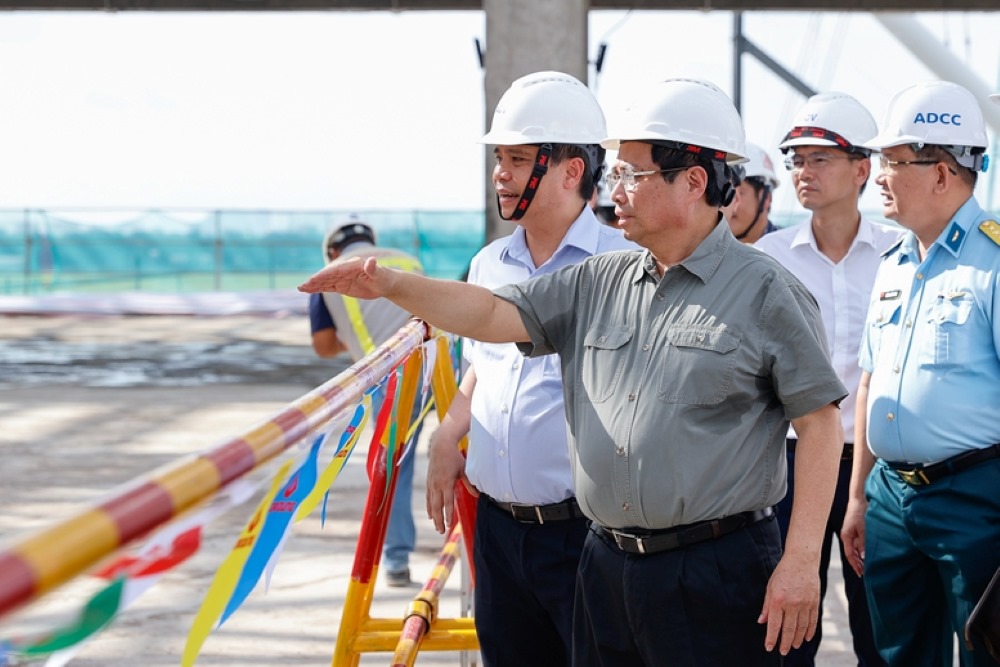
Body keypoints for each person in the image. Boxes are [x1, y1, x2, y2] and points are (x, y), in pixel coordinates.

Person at [300, 77, 848, 666]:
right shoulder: (601, 280)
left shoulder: (767, 292)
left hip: (715, 570)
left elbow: (820, 426)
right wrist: (391, 285)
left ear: (692, 182)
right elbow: (489, 312)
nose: (617, 189)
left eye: (633, 174)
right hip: (607, 568)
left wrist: (800, 563)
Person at [424, 71, 635, 667]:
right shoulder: (489, 263)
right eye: (500, 158)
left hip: (585, 537)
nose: (501, 172)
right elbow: (479, 371)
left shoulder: (624, 267)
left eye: (518, 159)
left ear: (572, 171)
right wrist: (447, 433)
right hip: (497, 536)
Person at [841, 80, 1000, 666]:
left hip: (977, 496)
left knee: (987, 649)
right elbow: (868, 381)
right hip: (890, 497)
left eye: (892, 161)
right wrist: (858, 496)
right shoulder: (894, 264)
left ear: (942, 171)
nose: (879, 175)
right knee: (895, 654)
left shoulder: (995, 263)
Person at [754, 91, 898, 667]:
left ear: (863, 168)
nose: (802, 172)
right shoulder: (768, 257)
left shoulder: (901, 252)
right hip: (788, 465)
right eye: (796, 159)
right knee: (788, 631)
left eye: (819, 159)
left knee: (883, 631)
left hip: (879, 467)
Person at [307, 218, 425, 587]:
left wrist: (352, 342)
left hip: (392, 378)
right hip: (441, 365)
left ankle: (396, 558)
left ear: (332, 252)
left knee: (393, 465)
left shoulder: (327, 276)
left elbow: (324, 347)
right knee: (466, 451)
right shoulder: (407, 261)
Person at [723, 141, 780, 243]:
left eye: (737, 192)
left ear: (766, 198)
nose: (725, 202)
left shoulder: (787, 255)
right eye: (722, 191)